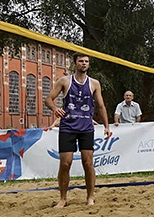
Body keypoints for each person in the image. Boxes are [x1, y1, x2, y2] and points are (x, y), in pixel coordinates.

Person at [45, 53, 112, 208]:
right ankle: (63, 198)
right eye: (81, 61)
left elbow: (101, 106)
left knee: (88, 162)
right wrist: (55, 108)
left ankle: (90, 197)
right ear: (74, 63)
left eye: (86, 61)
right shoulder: (65, 81)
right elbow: (48, 99)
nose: (84, 63)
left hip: (86, 127)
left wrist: (106, 126)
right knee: (65, 163)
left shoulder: (94, 83)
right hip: (68, 126)